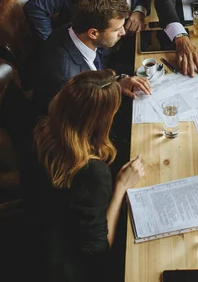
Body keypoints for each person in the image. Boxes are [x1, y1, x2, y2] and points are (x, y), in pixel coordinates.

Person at [24, 70, 146, 282]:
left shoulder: (43, 127)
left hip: (42, 230)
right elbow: (96, 251)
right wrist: (120, 186)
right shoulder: (91, 172)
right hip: (71, 267)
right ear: (99, 122)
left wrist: (117, 83)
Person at [32, 0, 151, 115]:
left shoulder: (74, 30)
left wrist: (118, 82)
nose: (123, 32)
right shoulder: (69, 80)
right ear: (93, 33)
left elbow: (96, 73)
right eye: (117, 29)